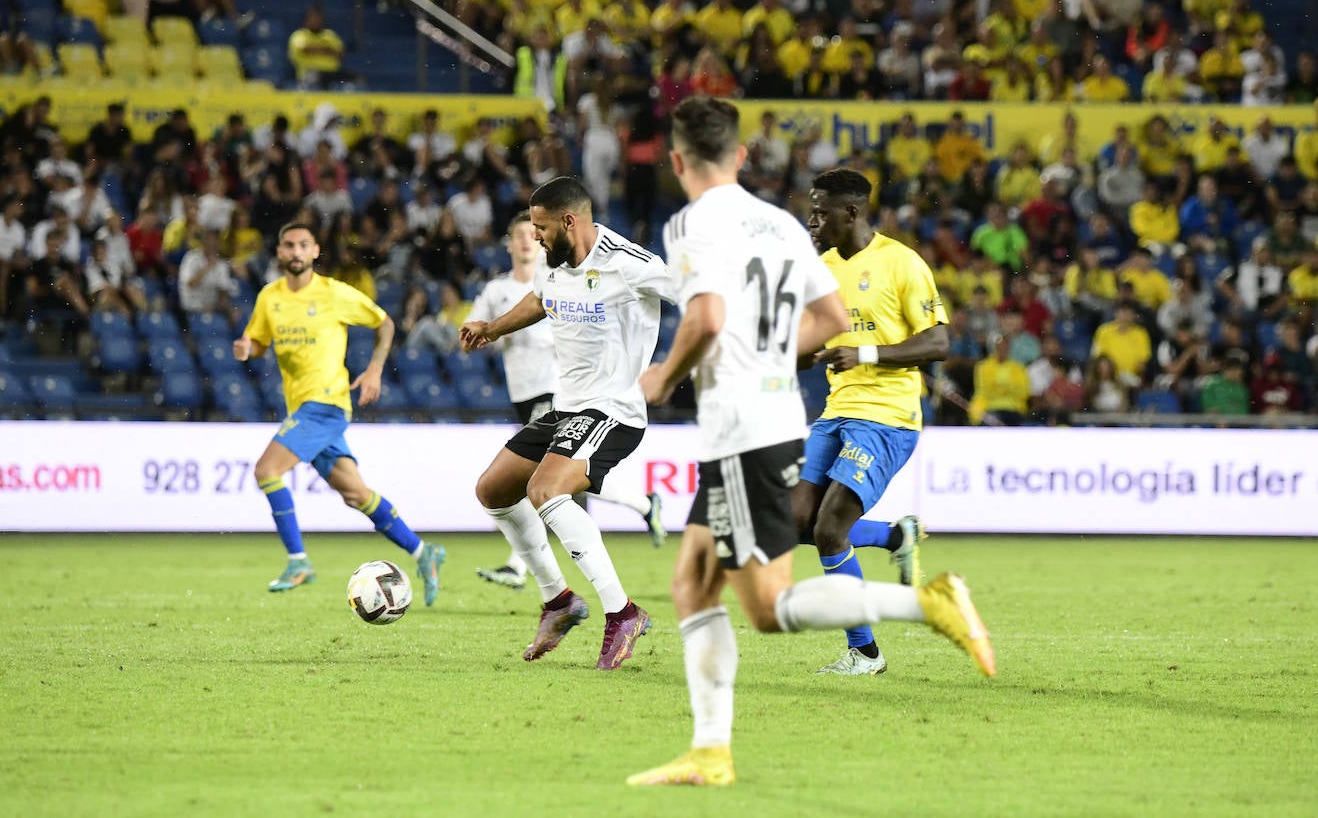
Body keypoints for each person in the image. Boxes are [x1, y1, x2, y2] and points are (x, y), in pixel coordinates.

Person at [629, 97, 993, 788]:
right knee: (704, 579)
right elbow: (826, 321)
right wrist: (775, 359)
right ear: (739, 156)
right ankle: (711, 751)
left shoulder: (693, 224)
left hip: (753, 424)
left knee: (765, 598)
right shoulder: (786, 231)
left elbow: (705, 316)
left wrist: (664, 375)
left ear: (677, 162)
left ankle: (921, 605)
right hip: (794, 419)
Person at [460, 177, 670, 671]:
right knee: (492, 490)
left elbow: (704, 300)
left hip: (614, 409)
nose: (534, 237)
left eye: (540, 228)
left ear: (569, 221)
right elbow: (540, 301)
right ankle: (559, 602)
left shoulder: (629, 263)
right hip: (566, 407)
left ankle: (624, 613)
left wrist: (677, 364)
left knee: (547, 490)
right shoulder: (554, 268)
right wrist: (492, 328)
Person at [234, 222, 447, 599]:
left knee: (266, 471)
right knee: (357, 494)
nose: (296, 251)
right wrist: (247, 348)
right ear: (280, 252)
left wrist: (376, 369)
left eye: (303, 244)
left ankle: (299, 561)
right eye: (289, 245)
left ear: (315, 250)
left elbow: (385, 323)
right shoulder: (270, 297)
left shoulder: (334, 293)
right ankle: (423, 550)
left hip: (327, 404)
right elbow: (260, 343)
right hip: (302, 407)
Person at [791, 166, 948, 676]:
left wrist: (865, 353)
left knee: (832, 527)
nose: (812, 220)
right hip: (836, 412)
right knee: (798, 523)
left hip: (887, 417)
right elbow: (805, 344)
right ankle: (894, 537)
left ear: (851, 212)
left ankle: (865, 653)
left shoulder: (902, 263)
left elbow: (938, 342)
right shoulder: (821, 269)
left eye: (821, 211)